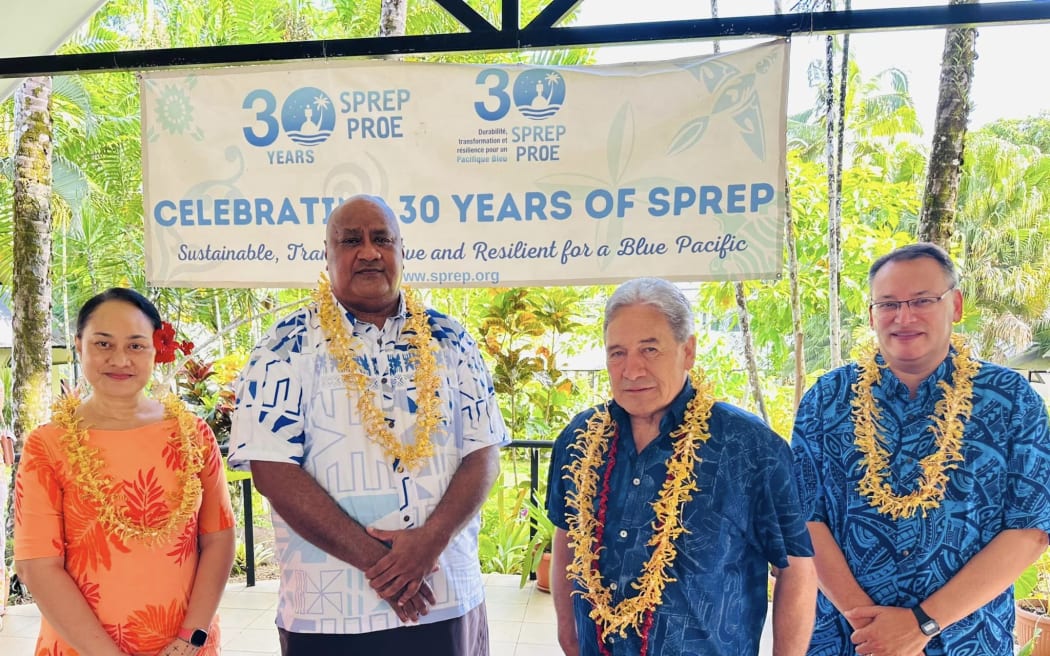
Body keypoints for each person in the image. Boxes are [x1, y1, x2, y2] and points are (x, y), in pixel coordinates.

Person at [227, 194, 507, 656]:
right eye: (350, 240)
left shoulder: (452, 339)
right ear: (327, 253)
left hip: (444, 596)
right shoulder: (282, 347)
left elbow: (484, 453)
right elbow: (273, 471)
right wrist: (385, 566)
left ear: (401, 249)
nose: (369, 251)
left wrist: (429, 544)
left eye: (382, 239)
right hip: (328, 612)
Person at [792, 242, 1050, 656]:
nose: (904, 316)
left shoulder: (1011, 400)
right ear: (873, 313)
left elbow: (1031, 528)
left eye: (923, 300)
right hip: (848, 639)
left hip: (967, 639)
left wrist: (922, 624)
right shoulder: (827, 399)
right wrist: (872, 628)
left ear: (956, 305)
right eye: (889, 303)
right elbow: (804, 519)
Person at [546, 277, 816, 656]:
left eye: (650, 349)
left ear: (687, 351)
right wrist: (568, 634)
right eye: (617, 353)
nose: (632, 370)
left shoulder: (750, 447)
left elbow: (797, 568)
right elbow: (566, 535)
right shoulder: (580, 438)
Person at [14, 287, 236, 656]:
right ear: (79, 345)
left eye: (135, 345)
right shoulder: (47, 445)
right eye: (103, 344)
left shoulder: (193, 434)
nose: (120, 359)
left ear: (155, 349)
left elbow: (219, 540)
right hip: (80, 647)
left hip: (183, 647)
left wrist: (191, 637)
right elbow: (38, 566)